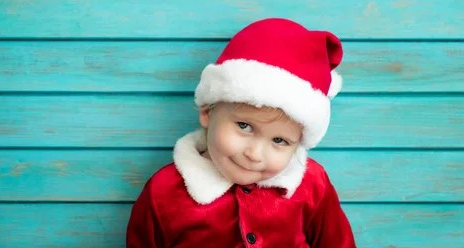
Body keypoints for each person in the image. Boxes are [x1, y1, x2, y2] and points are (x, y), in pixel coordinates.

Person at [126, 18, 357, 247]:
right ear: (207, 111)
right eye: (244, 126)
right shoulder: (163, 192)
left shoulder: (312, 184)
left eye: (279, 140)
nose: (254, 154)